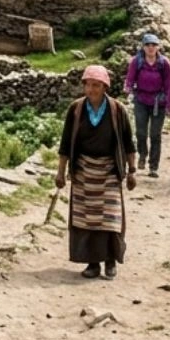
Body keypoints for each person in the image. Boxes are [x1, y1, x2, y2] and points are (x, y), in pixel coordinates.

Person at [55, 65, 137, 279]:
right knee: (86, 220)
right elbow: (65, 144)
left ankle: (110, 261)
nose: (91, 90)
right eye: (88, 85)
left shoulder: (117, 110)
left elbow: (129, 143)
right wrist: (61, 172)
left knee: (110, 218)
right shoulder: (76, 109)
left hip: (109, 172)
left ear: (105, 87)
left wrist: (132, 171)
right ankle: (92, 263)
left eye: (96, 85)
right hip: (83, 172)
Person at [124, 33, 170, 178]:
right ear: (143, 47)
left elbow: (169, 85)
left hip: (159, 102)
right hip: (141, 99)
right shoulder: (137, 61)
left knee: (155, 134)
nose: (151, 48)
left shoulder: (164, 63)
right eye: (148, 45)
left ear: (158, 47)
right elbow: (130, 78)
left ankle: (153, 166)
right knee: (141, 132)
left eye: (153, 45)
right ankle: (142, 154)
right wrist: (127, 89)